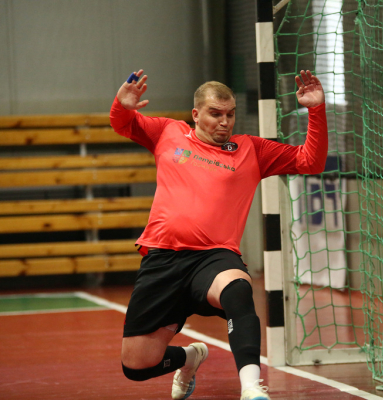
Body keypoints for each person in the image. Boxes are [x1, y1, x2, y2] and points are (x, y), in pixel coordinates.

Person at [110, 68, 327, 400]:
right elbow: (122, 124)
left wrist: (316, 110)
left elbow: (311, 161)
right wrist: (122, 105)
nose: (224, 122)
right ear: (196, 114)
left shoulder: (251, 149)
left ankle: (251, 387)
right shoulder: (168, 132)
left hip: (213, 258)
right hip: (162, 259)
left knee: (238, 289)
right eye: (215, 114)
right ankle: (191, 357)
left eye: (230, 114)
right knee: (136, 365)